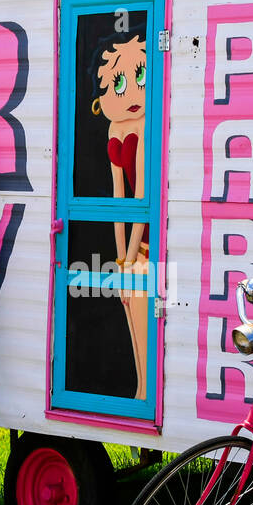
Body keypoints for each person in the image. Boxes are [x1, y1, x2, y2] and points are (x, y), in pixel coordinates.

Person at [92, 32, 149, 400]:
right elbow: (118, 198)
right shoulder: (115, 128)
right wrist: (119, 258)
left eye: (141, 77)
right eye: (119, 82)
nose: (130, 94)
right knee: (128, 300)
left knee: (141, 299)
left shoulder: (145, 127)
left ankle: (145, 390)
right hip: (130, 244)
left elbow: (142, 197)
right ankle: (141, 387)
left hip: (149, 238)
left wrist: (129, 259)